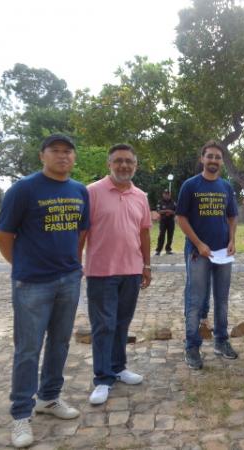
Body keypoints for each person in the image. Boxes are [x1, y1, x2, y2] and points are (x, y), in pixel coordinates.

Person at [0, 134, 89, 448]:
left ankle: (49, 397)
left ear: (74, 158)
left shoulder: (78, 190)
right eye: (55, 151)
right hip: (32, 283)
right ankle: (21, 414)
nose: (62, 156)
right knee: (27, 349)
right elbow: (2, 235)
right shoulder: (23, 189)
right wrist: (21, 265)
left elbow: (81, 229)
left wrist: (74, 263)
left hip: (69, 279)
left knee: (60, 342)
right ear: (42, 156)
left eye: (68, 152)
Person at [83, 143, 152, 405]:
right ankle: (102, 378)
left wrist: (146, 265)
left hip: (132, 271)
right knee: (103, 326)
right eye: (119, 161)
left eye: (129, 162)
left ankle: (118, 367)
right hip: (101, 271)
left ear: (135, 165)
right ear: (109, 163)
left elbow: (144, 232)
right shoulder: (92, 192)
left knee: (122, 323)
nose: (124, 165)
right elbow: (82, 232)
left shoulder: (141, 196)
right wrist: (76, 262)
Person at [176, 140, 238, 369]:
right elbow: (181, 218)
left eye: (217, 157)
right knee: (195, 300)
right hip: (198, 252)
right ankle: (192, 347)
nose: (213, 160)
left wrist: (232, 240)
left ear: (222, 162)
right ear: (202, 159)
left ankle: (221, 341)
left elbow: (232, 216)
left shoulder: (226, 186)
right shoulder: (190, 185)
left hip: (223, 252)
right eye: (209, 156)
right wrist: (199, 244)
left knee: (222, 299)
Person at [155, 189, 177, 256]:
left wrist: (171, 212)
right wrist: (167, 211)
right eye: (165, 194)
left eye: (168, 194)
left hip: (171, 221)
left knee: (170, 235)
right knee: (161, 235)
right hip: (163, 221)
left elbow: (176, 211)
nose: (166, 195)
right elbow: (158, 211)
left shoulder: (173, 202)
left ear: (170, 195)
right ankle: (158, 250)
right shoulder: (160, 202)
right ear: (163, 194)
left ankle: (168, 249)